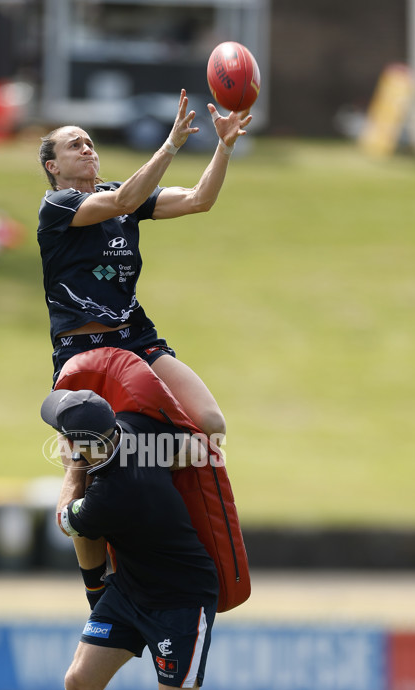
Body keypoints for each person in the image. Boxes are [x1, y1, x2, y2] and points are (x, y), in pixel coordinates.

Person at [34, 388, 257, 690]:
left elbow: (67, 521)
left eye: (64, 437)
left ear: (83, 444)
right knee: (80, 682)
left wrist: (74, 468)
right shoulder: (135, 431)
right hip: (131, 589)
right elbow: (192, 443)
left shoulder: (113, 494)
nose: (59, 442)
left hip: (180, 597)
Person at [37, 90, 252, 444]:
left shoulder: (122, 193)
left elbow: (199, 199)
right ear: (53, 167)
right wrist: (171, 144)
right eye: (75, 145)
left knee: (212, 423)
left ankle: (166, 469)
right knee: (86, 456)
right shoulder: (58, 205)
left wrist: (224, 147)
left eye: (90, 143)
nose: (87, 149)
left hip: (134, 340)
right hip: (80, 349)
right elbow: (124, 201)